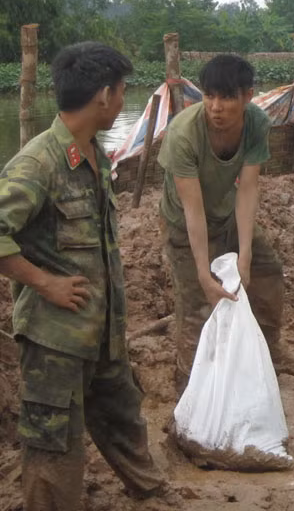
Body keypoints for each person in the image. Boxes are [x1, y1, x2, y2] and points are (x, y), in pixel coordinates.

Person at [0, 42, 169, 509]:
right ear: (103, 95)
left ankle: (150, 492)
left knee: (122, 418)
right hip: (55, 343)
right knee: (53, 448)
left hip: (103, 332)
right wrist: (43, 282)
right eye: (121, 92)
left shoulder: (92, 155)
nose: (121, 101)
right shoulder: (39, 163)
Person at [158, 54, 294, 389]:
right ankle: (188, 383)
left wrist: (244, 255)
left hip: (228, 214)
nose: (216, 106)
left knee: (268, 271)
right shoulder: (183, 134)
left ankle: (272, 352)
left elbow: (247, 190)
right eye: (209, 95)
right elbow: (193, 209)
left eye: (227, 97)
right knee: (198, 305)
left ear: (247, 96)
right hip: (185, 224)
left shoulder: (256, 124)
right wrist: (204, 273)